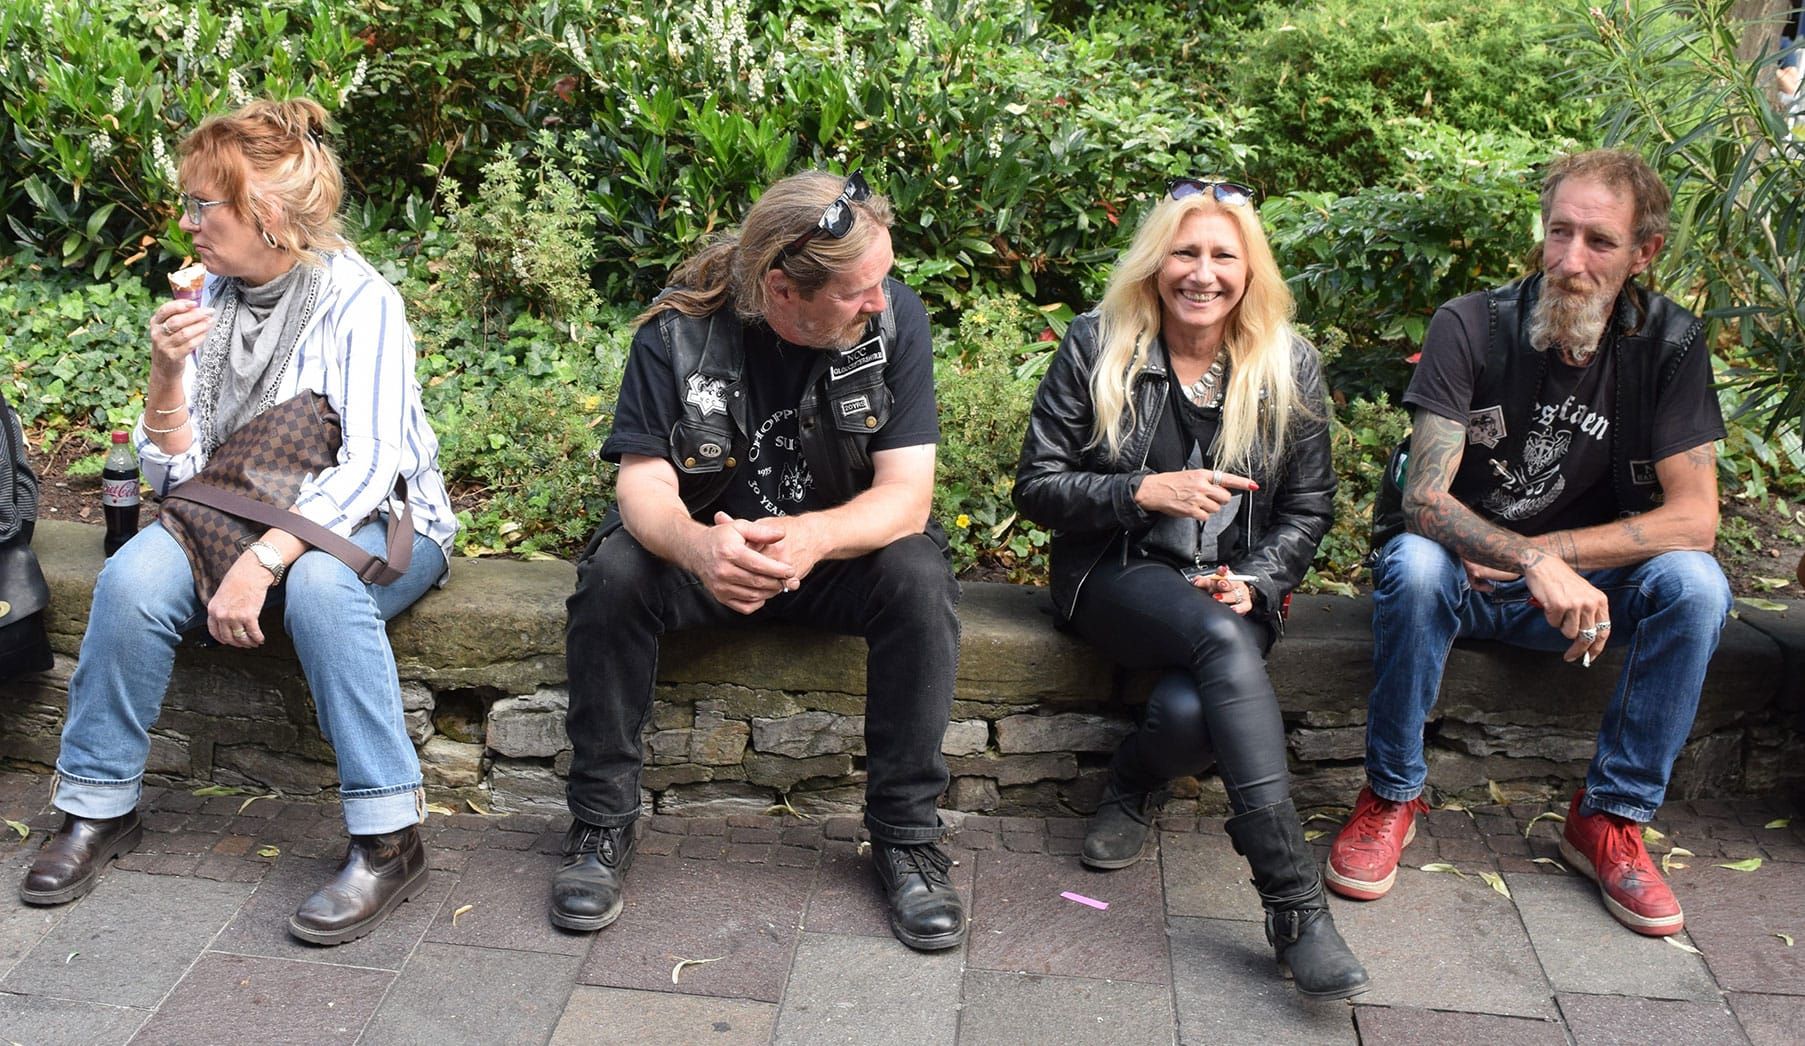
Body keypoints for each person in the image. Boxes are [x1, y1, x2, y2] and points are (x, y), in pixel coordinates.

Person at [18, 99, 459, 947]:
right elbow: (179, 481)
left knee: (322, 587)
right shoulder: (209, 298)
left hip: (381, 520)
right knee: (133, 578)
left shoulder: (360, 301)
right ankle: (98, 806)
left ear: (266, 214)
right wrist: (165, 371)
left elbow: (371, 467)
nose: (185, 222)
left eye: (200, 205)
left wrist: (263, 562)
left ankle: (388, 837)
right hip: (234, 516)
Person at [557, 171, 966, 951]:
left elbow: (906, 496)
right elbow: (642, 487)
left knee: (918, 576)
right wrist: (698, 547)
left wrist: (814, 536)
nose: (879, 300)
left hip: (830, 557)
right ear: (782, 289)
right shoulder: (676, 333)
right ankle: (600, 823)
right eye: (856, 290)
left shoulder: (893, 318)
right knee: (614, 575)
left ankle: (907, 838)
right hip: (709, 555)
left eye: (881, 280)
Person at [1327, 150, 1729, 938]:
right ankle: (1390, 794)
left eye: (1598, 242)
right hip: (1466, 579)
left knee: (1696, 585)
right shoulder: (1471, 324)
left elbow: (1695, 522)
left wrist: (1560, 557)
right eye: (1559, 233)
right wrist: (1531, 559)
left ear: (1643, 252)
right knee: (1412, 564)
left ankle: (1608, 818)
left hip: (1584, 601)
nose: (1570, 262)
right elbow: (1422, 499)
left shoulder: (1669, 345)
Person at [1013, 178, 1367, 998]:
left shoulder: (1287, 362)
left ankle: (1133, 780)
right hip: (1116, 572)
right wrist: (1141, 490)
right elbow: (1037, 487)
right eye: (1184, 252)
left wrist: (1260, 579)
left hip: (1230, 585)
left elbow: (1309, 506)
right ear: (1155, 261)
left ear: (1248, 271)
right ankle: (1294, 905)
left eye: (1221, 256)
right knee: (1213, 644)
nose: (1201, 273)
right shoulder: (1098, 342)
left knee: (1185, 713)